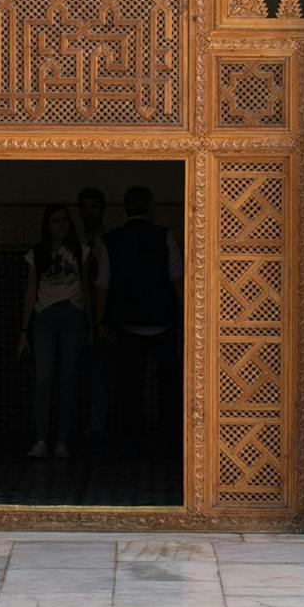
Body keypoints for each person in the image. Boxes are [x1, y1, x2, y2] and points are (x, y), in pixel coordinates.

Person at [105, 185, 184, 461]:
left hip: (126, 323)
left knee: (130, 386)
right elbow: (177, 279)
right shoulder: (164, 236)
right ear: (150, 207)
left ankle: (131, 444)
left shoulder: (111, 240)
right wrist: (184, 316)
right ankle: (169, 441)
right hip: (162, 321)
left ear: (125, 208)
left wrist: (101, 320)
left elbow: (103, 284)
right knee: (168, 385)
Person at [16, 205, 90, 461]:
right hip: (45, 316)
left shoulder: (81, 251)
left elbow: (88, 288)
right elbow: (30, 292)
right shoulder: (37, 254)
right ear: (48, 225)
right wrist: (24, 331)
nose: (61, 226)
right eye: (56, 221)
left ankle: (62, 440)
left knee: (68, 379)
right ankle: (41, 439)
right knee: (44, 379)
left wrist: (90, 324)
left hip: (73, 314)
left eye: (65, 221)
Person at [74, 184, 113, 440]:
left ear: (102, 210)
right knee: (81, 372)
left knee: (100, 372)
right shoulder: (77, 242)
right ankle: (84, 423)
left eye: (94, 207)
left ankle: (99, 424)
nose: (89, 212)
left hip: (102, 314)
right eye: (85, 207)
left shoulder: (107, 241)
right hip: (80, 313)